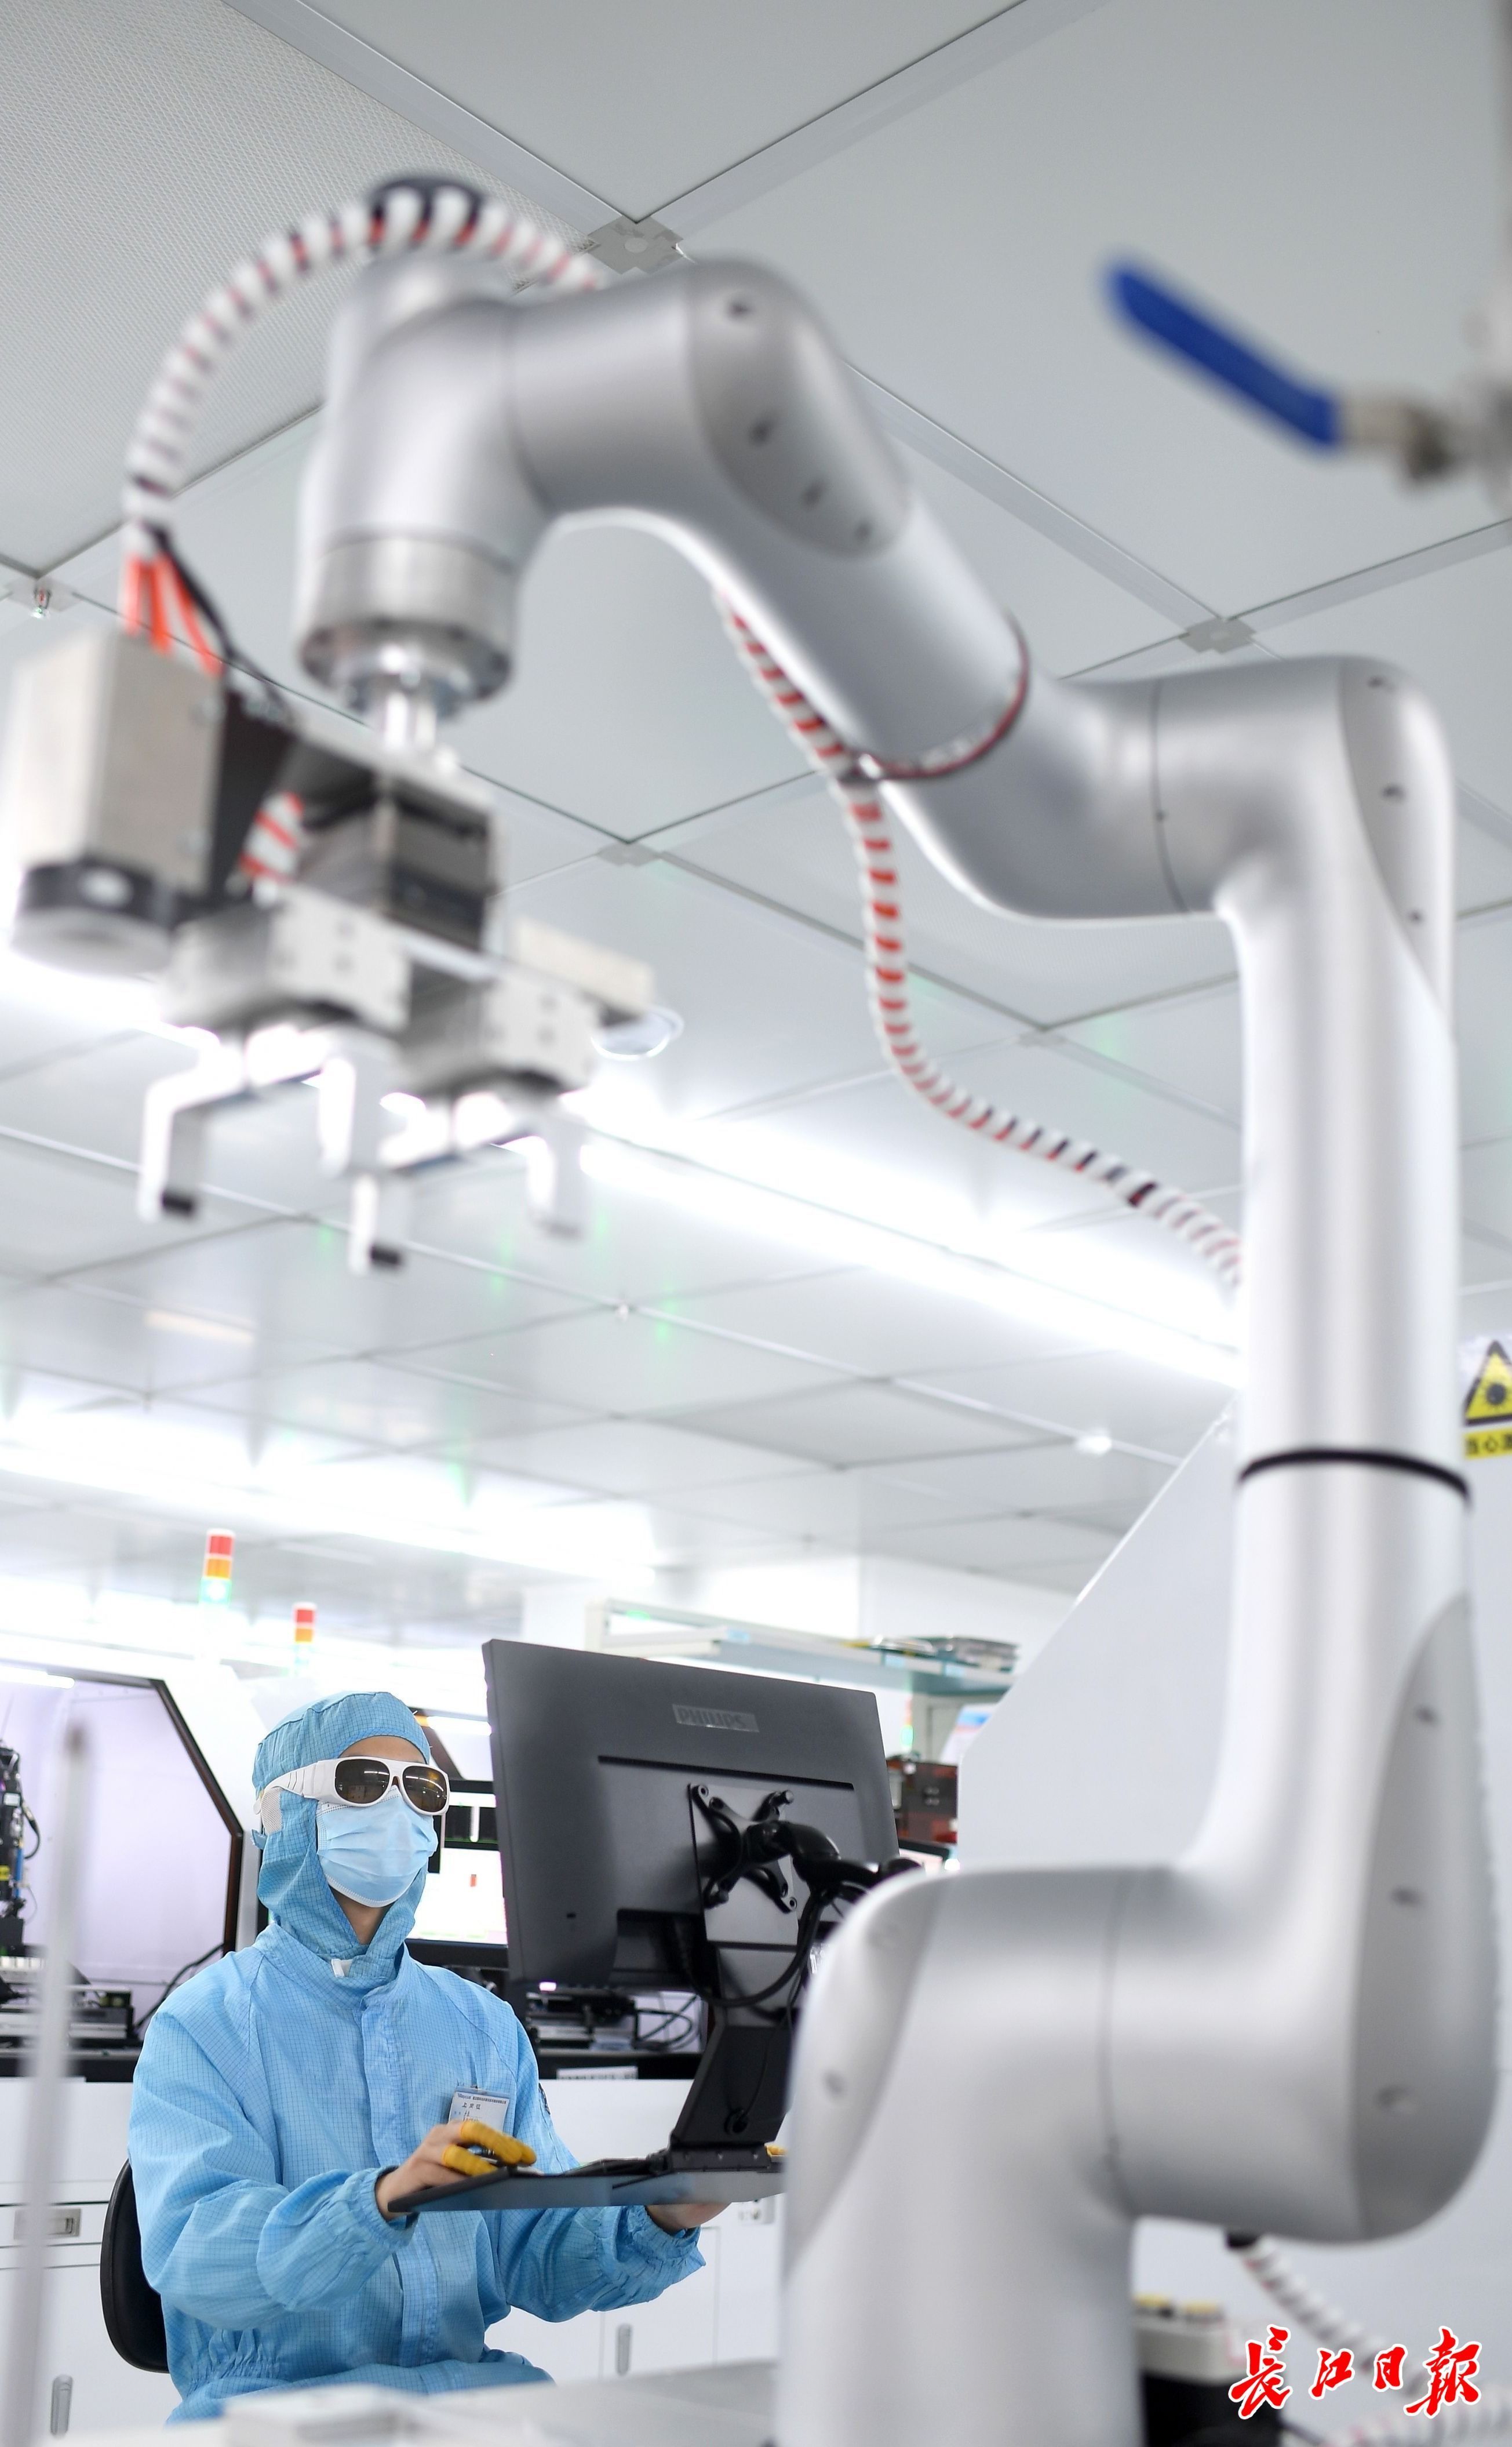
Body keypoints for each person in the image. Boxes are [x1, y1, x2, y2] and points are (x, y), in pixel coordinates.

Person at [129, 1691, 719, 2420]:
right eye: (363, 1783)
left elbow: (536, 2250)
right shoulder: (206, 2025)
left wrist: (662, 2215)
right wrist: (377, 2201)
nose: (397, 1808)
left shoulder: (480, 2026)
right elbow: (200, 2257)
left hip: (466, 2408)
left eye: (421, 1789)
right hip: (278, 2414)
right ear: (285, 1813)